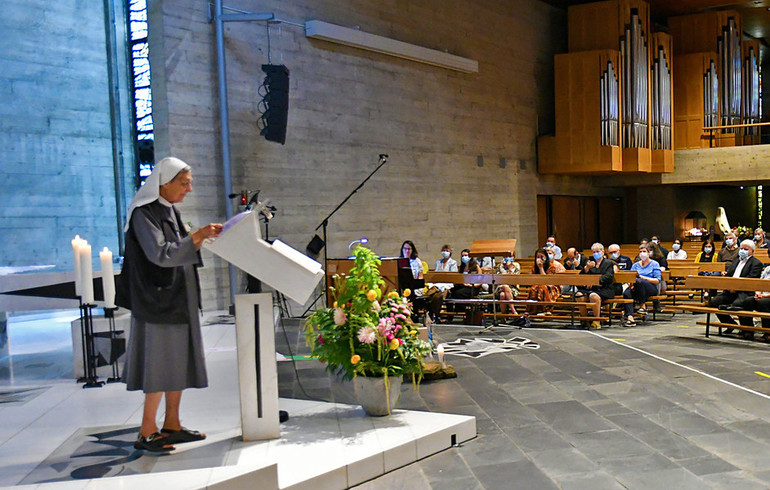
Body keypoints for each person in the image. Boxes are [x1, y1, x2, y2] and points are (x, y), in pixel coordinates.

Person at [117, 157, 222, 452]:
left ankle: (172, 424)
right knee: (159, 365)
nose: (189, 189)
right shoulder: (143, 214)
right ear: (165, 182)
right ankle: (146, 430)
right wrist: (197, 235)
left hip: (178, 299)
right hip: (157, 301)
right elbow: (161, 254)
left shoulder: (169, 210)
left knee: (176, 362)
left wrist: (200, 238)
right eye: (184, 183)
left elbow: (179, 248)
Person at [709, 239, 764, 334]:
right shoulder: (736, 261)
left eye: (746, 249)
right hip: (730, 290)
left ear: (752, 251)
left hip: (744, 292)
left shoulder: (756, 263)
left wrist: (736, 288)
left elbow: (750, 279)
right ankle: (730, 324)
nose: (743, 251)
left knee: (738, 304)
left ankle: (747, 330)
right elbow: (728, 275)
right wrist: (729, 287)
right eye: (741, 248)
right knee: (714, 302)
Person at [577, 243, 615, 329]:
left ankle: (596, 320)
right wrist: (587, 267)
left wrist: (595, 282)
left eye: (597, 251)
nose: (595, 253)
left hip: (603, 288)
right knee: (578, 295)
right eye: (594, 252)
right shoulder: (590, 262)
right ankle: (585, 319)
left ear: (602, 252)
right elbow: (582, 276)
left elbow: (608, 276)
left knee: (593, 296)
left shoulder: (608, 263)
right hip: (591, 288)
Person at [622, 245, 662, 327]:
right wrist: (630, 285)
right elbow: (630, 278)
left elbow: (657, 281)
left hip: (651, 287)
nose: (642, 253)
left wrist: (643, 278)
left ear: (648, 253)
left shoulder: (654, 264)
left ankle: (643, 305)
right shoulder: (635, 265)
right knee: (627, 293)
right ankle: (630, 318)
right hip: (636, 287)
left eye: (644, 251)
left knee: (639, 281)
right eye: (640, 252)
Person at [741, 248, 770, 341]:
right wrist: (758, 292)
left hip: (767, 297)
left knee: (763, 303)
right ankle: (748, 330)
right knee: (747, 301)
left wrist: (764, 296)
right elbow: (759, 283)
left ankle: (768, 332)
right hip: (762, 295)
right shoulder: (767, 269)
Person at [527, 247, 563, 315]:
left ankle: (545, 310)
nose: (540, 259)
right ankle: (533, 310)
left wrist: (541, 268)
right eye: (538, 257)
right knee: (533, 289)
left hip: (551, 286)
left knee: (542, 288)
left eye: (542, 257)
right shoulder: (534, 267)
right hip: (537, 284)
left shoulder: (551, 266)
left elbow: (546, 280)